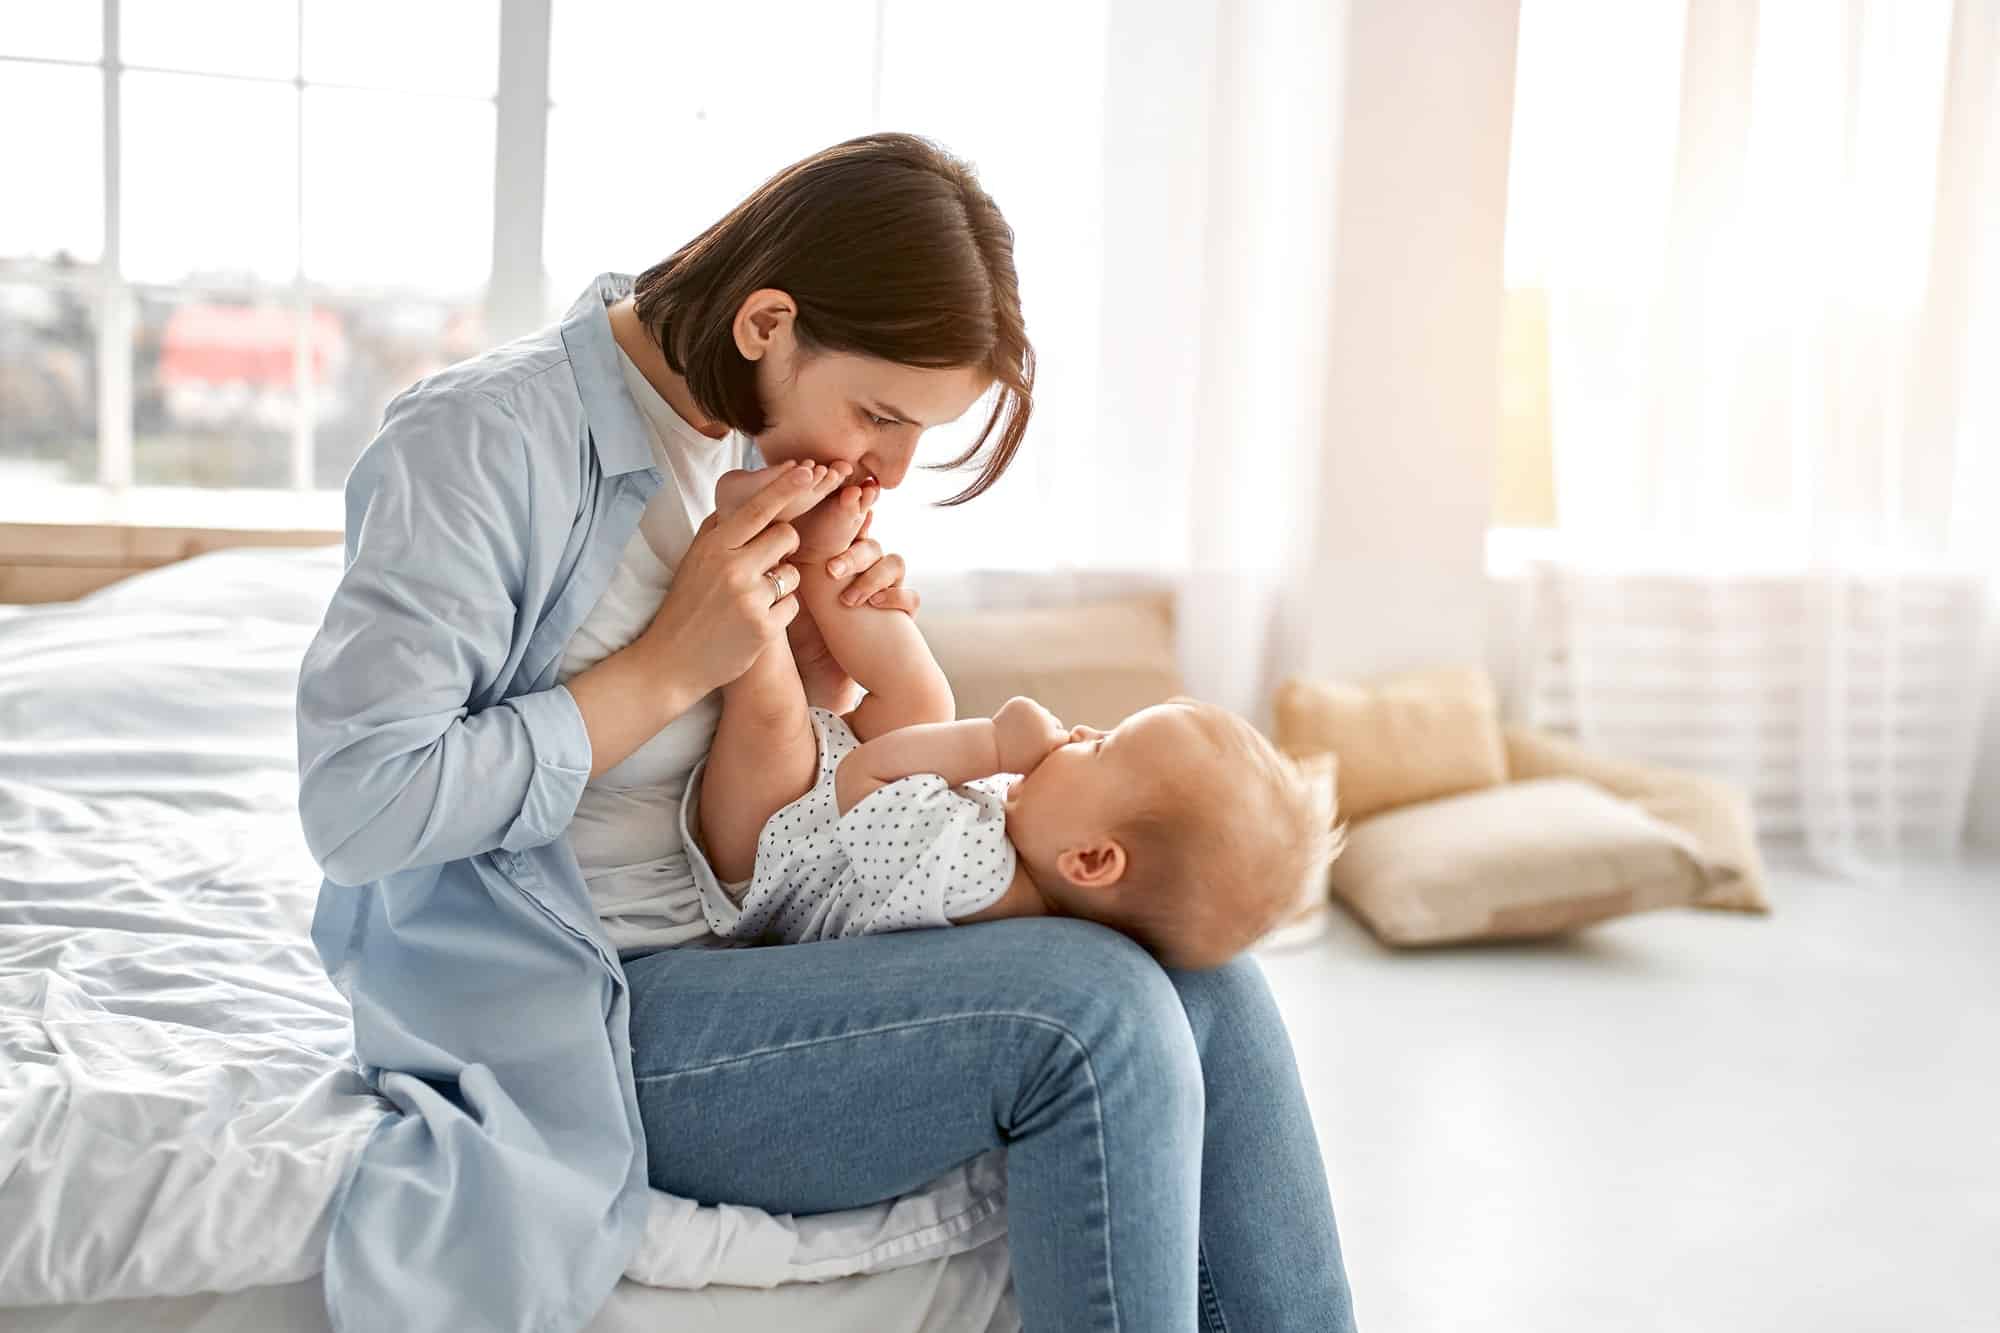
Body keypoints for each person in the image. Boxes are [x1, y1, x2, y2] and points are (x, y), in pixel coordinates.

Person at [294, 131, 1358, 1332]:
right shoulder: (478, 443)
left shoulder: (753, 443)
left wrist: (818, 679)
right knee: (1090, 1004)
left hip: (769, 939)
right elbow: (358, 807)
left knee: (1213, 983)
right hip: (589, 1006)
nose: (890, 470)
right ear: (766, 323)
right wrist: (663, 669)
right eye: (879, 414)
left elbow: (798, 803)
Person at [690, 460, 1337, 967]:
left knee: (776, 717)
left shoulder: (975, 879)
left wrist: (992, 744)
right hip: (828, 808)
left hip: (771, 850)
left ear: (1090, 861)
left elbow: (867, 775)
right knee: (923, 702)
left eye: (1103, 746)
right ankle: (817, 560)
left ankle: (747, 558)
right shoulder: (1037, 853)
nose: (1083, 731)